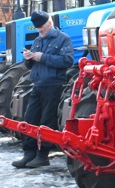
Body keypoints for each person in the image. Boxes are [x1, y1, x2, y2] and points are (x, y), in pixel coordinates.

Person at [12, 10, 74, 168]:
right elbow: (30, 64)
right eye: (38, 29)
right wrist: (29, 59)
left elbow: (67, 60)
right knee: (30, 119)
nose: (40, 31)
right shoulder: (38, 40)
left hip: (53, 85)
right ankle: (29, 153)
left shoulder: (63, 39)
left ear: (50, 23)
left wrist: (42, 57)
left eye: (43, 28)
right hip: (37, 84)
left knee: (47, 121)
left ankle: (43, 155)